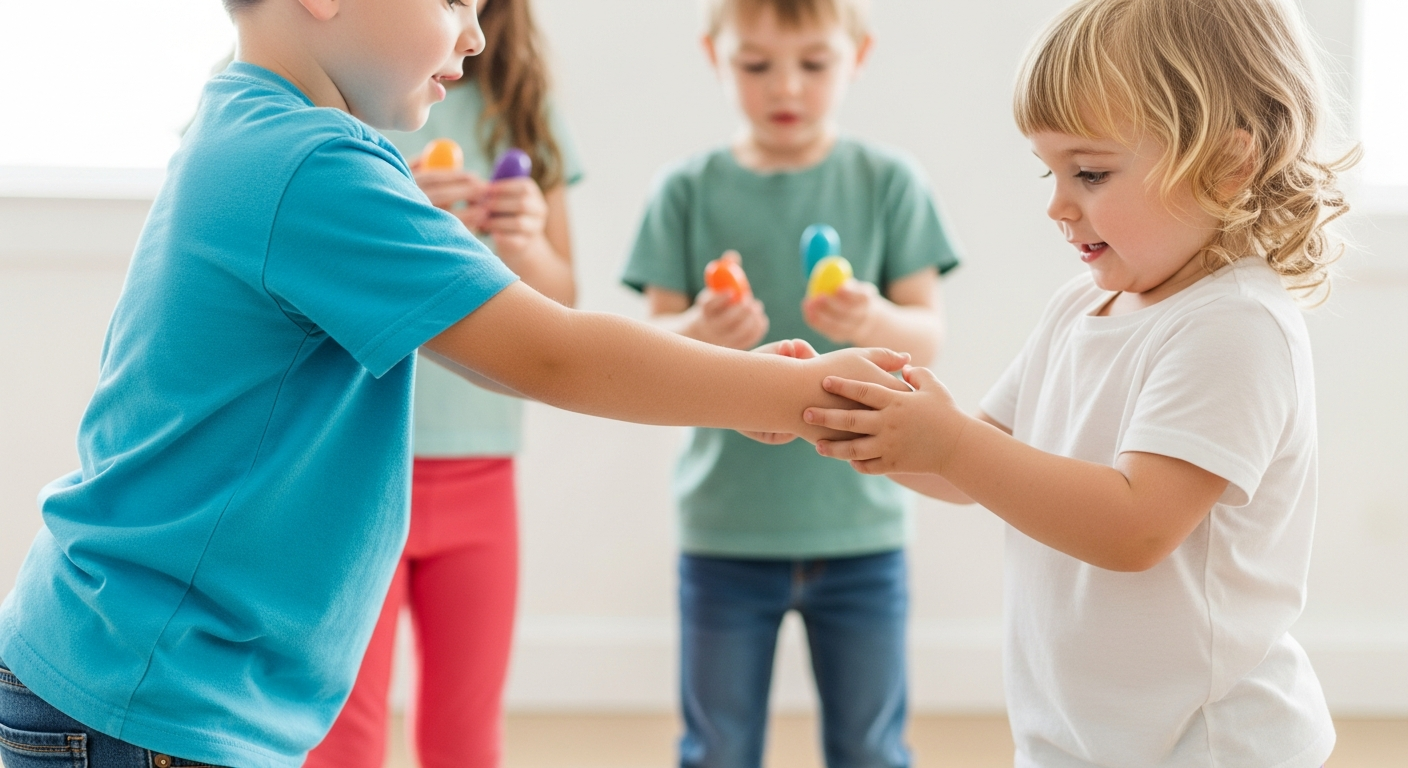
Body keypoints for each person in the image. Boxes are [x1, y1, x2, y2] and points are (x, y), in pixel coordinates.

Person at [0, 1, 911, 766]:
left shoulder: (247, 122)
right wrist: (785, 394)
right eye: (452, 1)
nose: (476, 34)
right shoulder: (313, 166)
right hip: (152, 692)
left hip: (137, 672)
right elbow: (548, 352)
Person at [800, 0, 1356, 765]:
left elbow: (1134, 526)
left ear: (1229, 165)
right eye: (1051, 170)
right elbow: (971, 470)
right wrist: (846, 417)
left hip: (1206, 744)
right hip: (1080, 736)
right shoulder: (1079, 307)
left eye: (1089, 172)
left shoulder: (1234, 326)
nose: (1057, 205)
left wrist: (949, 442)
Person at [621, 0, 960, 765]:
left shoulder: (889, 181)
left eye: (813, 63)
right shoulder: (685, 189)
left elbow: (927, 333)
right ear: (713, 55)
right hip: (724, 530)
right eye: (756, 64)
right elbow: (651, 350)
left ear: (858, 56)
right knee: (717, 747)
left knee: (871, 747)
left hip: (863, 526)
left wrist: (871, 316)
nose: (786, 87)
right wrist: (702, 332)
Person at [302, 0, 578, 766]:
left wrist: (524, 241)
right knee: (344, 730)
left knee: (467, 731)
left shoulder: (520, 108)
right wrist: (397, 217)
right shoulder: (334, 102)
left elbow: (562, 298)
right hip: (356, 470)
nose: (469, 26)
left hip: (481, 470)